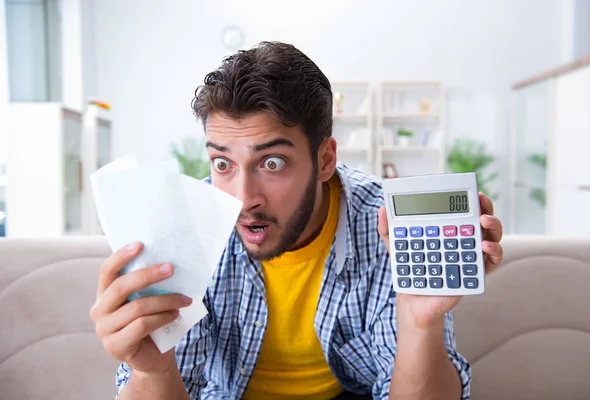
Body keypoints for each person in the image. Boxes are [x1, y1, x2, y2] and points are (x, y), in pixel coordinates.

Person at [89, 41, 504, 400]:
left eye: (272, 162)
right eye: (222, 163)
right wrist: (152, 370)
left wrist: (419, 322)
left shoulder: (387, 229)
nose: (242, 199)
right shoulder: (184, 231)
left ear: (324, 160)